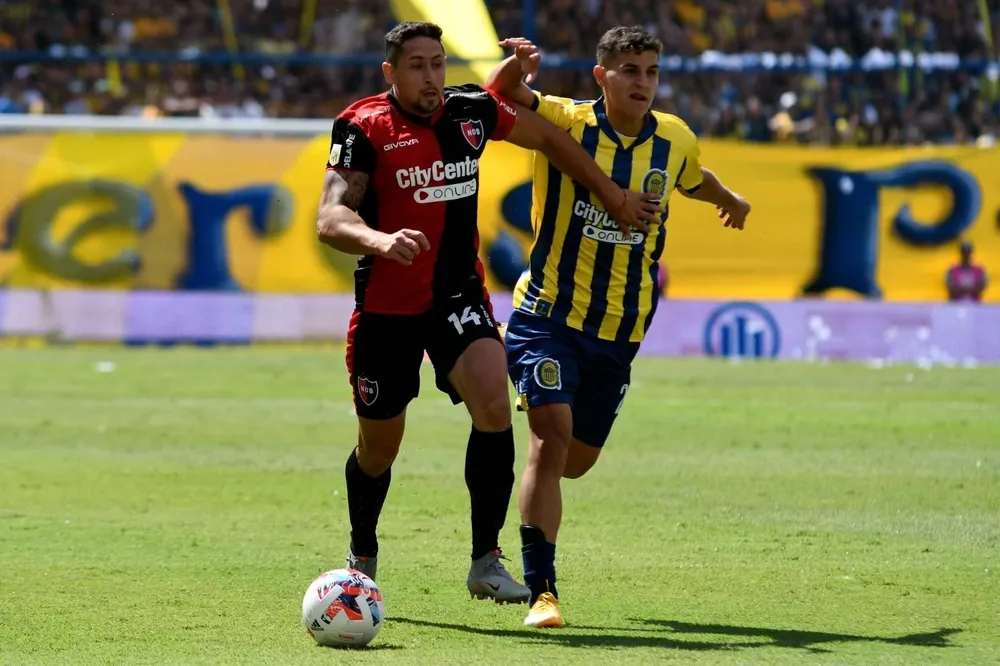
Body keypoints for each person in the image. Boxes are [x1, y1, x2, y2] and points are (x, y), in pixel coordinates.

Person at [316, 21, 663, 605]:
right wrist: (379, 241)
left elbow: (553, 140)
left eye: (437, 63)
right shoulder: (363, 127)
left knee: (495, 408)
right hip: (387, 309)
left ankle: (485, 560)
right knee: (380, 448)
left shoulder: (470, 113)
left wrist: (609, 192)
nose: (431, 76)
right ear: (390, 73)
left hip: (457, 297)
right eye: (417, 65)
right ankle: (363, 556)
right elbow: (331, 217)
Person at [485, 26, 752, 626]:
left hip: (620, 327)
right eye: (629, 70)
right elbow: (501, 97)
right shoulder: (568, 120)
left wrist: (727, 198)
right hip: (549, 312)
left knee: (575, 461)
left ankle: (515, 362)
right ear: (601, 76)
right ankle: (542, 591)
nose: (642, 82)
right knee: (550, 440)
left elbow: (694, 179)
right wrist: (517, 68)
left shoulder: (675, 139)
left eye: (651, 71)